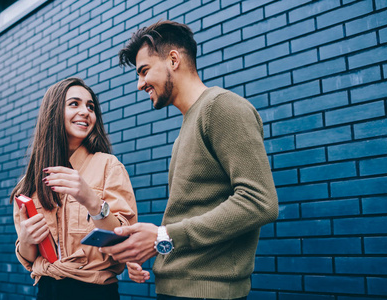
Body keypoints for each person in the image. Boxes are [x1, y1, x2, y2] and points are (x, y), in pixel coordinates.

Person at [99, 21, 279, 299]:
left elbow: (260, 202)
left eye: (144, 71)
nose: (139, 84)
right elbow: (190, 217)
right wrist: (149, 246)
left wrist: (162, 236)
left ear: (173, 59)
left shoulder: (221, 107)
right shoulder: (186, 127)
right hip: (178, 288)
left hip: (207, 292)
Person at [10, 77, 137, 300]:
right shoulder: (28, 184)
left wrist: (91, 201)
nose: (86, 112)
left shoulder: (109, 166)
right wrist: (28, 241)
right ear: (54, 112)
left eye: (90, 106)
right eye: (74, 104)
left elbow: (123, 243)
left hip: (95, 292)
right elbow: (29, 259)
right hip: (46, 291)